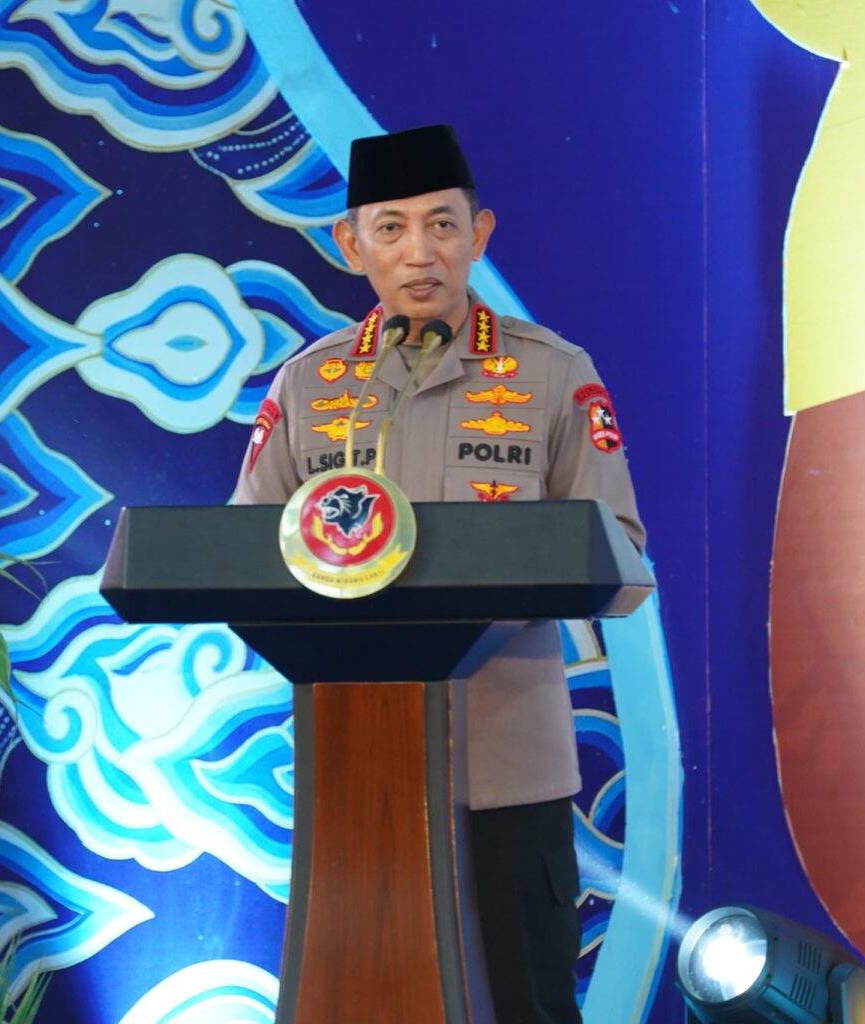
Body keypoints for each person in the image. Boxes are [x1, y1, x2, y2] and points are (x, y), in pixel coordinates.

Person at [230, 124, 645, 1024]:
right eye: (391, 228)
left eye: (443, 225)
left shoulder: (552, 374)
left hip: (508, 770)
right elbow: (241, 557)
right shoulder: (308, 386)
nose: (419, 253)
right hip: (358, 773)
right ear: (351, 244)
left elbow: (620, 551)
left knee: (528, 1008)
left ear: (479, 234)